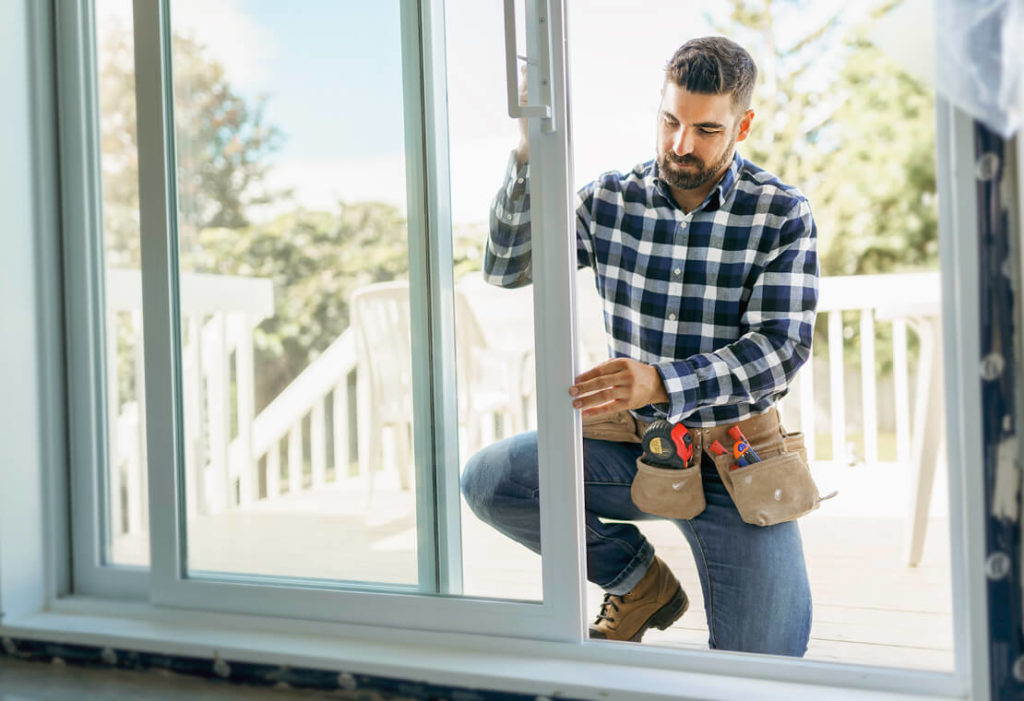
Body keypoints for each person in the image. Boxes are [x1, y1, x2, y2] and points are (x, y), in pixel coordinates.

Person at [461, 36, 818, 656]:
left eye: (707, 129)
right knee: (494, 481)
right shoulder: (608, 201)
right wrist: (526, 149)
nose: (682, 145)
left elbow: (781, 349)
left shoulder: (781, 214)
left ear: (744, 124)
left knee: (771, 659)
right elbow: (506, 266)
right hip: (637, 450)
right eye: (671, 121)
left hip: (735, 458)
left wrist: (662, 381)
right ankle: (639, 582)